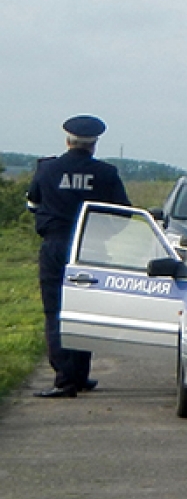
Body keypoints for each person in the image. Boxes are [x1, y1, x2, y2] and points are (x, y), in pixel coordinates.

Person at [26, 115, 129, 398]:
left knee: (56, 311)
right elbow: (122, 214)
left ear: (67, 140)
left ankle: (64, 379)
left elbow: (33, 204)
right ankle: (80, 375)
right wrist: (102, 234)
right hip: (90, 247)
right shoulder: (106, 174)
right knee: (85, 309)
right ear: (94, 144)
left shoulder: (46, 169)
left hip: (56, 244)